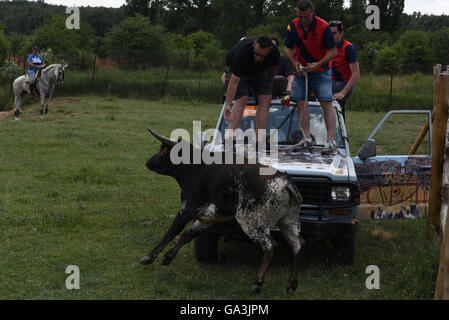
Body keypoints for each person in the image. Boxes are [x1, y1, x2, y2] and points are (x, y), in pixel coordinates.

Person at [283, 0, 337, 155]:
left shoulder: (324, 26)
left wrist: (318, 64)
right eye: (300, 17)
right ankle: (306, 139)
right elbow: (286, 48)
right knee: (301, 102)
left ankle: (331, 141)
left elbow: (332, 52)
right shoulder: (292, 25)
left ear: (313, 12)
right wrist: (294, 64)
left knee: (326, 103)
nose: (303, 20)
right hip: (302, 71)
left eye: (306, 17)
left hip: (322, 71)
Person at [223, 35, 280, 139]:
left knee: (266, 97)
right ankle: (230, 138)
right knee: (243, 97)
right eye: (256, 54)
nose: (258, 57)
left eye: (262, 55)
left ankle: (259, 139)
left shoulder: (275, 53)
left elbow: (273, 70)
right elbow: (234, 82)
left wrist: (269, 86)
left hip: (258, 70)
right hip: (236, 67)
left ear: (269, 50)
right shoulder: (243, 53)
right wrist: (228, 104)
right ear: (254, 45)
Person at [329, 21, 360, 119]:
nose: (331, 36)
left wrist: (343, 92)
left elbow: (356, 73)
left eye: (334, 33)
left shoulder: (348, 48)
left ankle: (338, 129)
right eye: (329, 33)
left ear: (341, 33)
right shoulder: (328, 46)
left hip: (343, 84)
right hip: (330, 81)